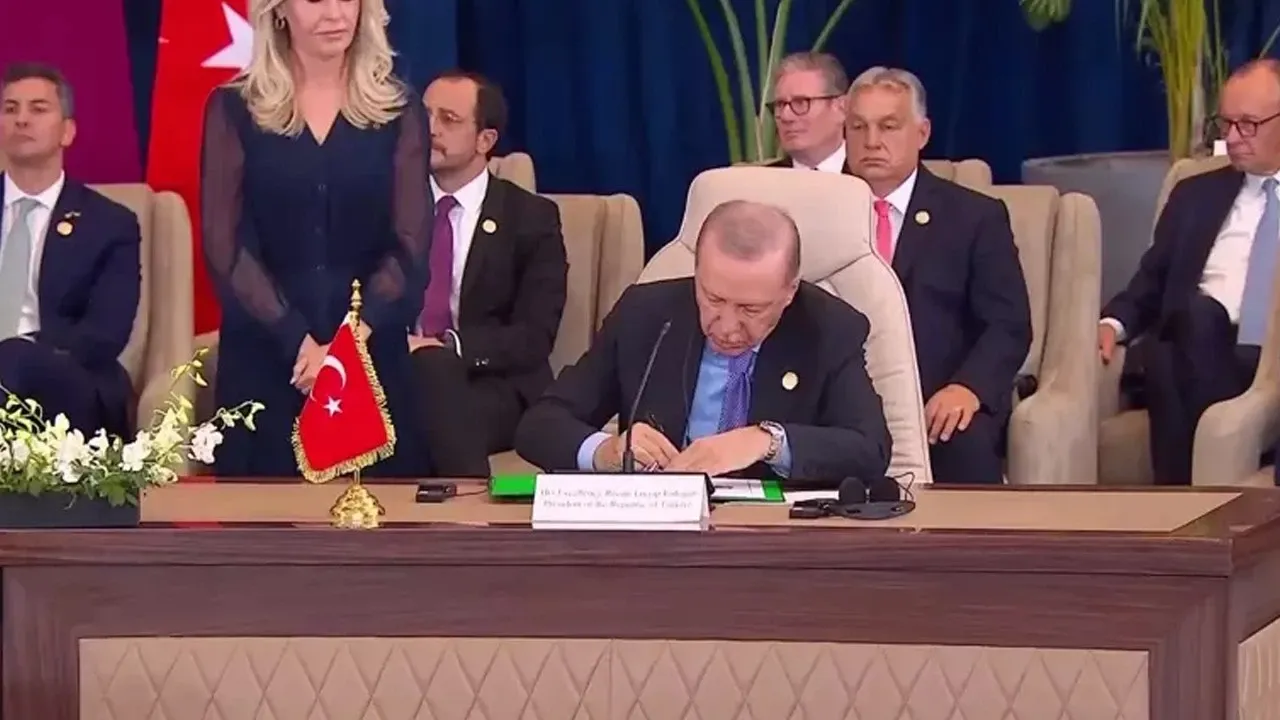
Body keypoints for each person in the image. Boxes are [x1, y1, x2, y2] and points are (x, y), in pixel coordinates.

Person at [201, 0, 430, 478]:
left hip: (370, 355)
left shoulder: (399, 109)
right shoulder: (234, 108)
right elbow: (225, 246)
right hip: (267, 356)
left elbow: (410, 245)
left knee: (377, 519)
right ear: (279, 11)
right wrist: (298, 342)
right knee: (264, 519)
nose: (335, 13)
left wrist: (348, 346)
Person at [515, 200, 891, 483]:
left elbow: (870, 449)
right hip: (657, 533)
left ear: (789, 291)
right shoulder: (645, 315)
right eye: (712, 299)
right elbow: (540, 424)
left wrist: (766, 441)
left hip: (774, 538)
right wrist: (605, 450)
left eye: (750, 309)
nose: (726, 326)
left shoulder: (829, 329)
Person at [843, 66, 1031, 484]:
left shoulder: (973, 217)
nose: (871, 141)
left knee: (963, 439)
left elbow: (1009, 325)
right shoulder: (819, 212)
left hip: (938, 397)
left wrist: (969, 387)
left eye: (888, 126)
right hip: (842, 400)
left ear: (922, 133)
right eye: (858, 127)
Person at [1101, 60, 1280, 486]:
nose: (1231, 138)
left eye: (1248, 124)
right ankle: (1235, 448)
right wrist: (1112, 323)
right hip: (1207, 346)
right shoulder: (1194, 195)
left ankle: (1184, 499)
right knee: (1191, 326)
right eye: (1226, 123)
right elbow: (1150, 281)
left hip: (1272, 356)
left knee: (1167, 363)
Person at [409, 71, 567, 476]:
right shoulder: (390, 206)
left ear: (485, 140)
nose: (430, 129)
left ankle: (468, 508)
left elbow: (534, 336)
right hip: (398, 372)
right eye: (424, 115)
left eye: (448, 119)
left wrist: (444, 347)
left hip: (491, 383)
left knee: (428, 414)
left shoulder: (531, 218)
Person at [0, 62, 140, 437]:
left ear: (67, 131)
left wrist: (22, 349)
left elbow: (106, 334)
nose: (21, 119)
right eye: (10, 109)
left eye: (38, 109)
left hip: (70, 379)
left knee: (12, 358)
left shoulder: (110, 223)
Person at [765, 53, 848, 172]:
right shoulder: (761, 180)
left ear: (841, 108)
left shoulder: (869, 177)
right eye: (780, 104)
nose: (785, 116)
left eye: (801, 102)